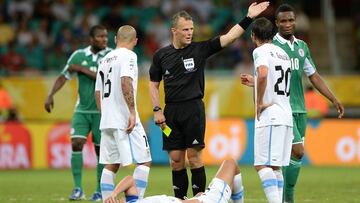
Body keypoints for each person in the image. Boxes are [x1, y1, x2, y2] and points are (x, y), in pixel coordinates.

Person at [148, 2, 269, 200]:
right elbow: (153, 84)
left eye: (191, 29)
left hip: (193, 109)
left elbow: (230, 37)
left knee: (194, 158)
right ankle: (179, 199)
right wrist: (157, 110)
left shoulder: (200, 49)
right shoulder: (161, 56)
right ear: (174, 30)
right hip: (170, 112)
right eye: (185, 29)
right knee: (176, 160)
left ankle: (199, 198)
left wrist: (249, 17)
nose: (189, 33)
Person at [240, 4, 345, 203]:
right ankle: (287, 198)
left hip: (298, 109)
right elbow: (269, 75)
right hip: (283, 108)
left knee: (287, 159)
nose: (288, 24)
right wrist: (257, 83)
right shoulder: (273, 46)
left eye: (291, 20)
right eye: (284, 21)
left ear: (295, 21)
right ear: (276, 24)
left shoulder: (301, 47)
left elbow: (313, 76)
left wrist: (332, 98)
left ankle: (284, 197)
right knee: (296, 151)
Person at [44, 25, 111, 201]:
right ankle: (78, 189)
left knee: (100, 152)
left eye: (106, 36)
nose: (105, 39)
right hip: (81, 109)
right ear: (91, 39)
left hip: (102, 111)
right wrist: (50, 95)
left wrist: (81, 70)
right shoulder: (78, 55)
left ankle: (99, 190)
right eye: (100, 37)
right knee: (76, 143)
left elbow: (105, 79)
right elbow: (63, 75)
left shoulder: (111, 55)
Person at [95, 25, 152, 202]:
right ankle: (136, 200)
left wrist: (105, 114)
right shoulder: (129, 55)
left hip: (107, 119)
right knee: (145, 160)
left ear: (115, 40)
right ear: (135, 41)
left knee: (111, 164)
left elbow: (97, 92)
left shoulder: (104, 59)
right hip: (124, 118)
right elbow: (125, 80)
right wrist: (132, 112)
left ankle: (107, 200)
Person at [251, 17, 293, 203]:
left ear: (253, 36)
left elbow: (263, 73)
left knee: (262, 165)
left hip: (271, 116)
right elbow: (276, 80)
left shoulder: (259, 51)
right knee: (275, 167)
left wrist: (259, 103)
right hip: (285, 114)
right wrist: (254, 83)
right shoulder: (283, 53)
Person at [104, 158, 244, 203]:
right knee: (230, 164)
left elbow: (129, 180)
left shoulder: (133, 201)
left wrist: (114, 194)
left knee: (230, 165)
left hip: (197, 200)